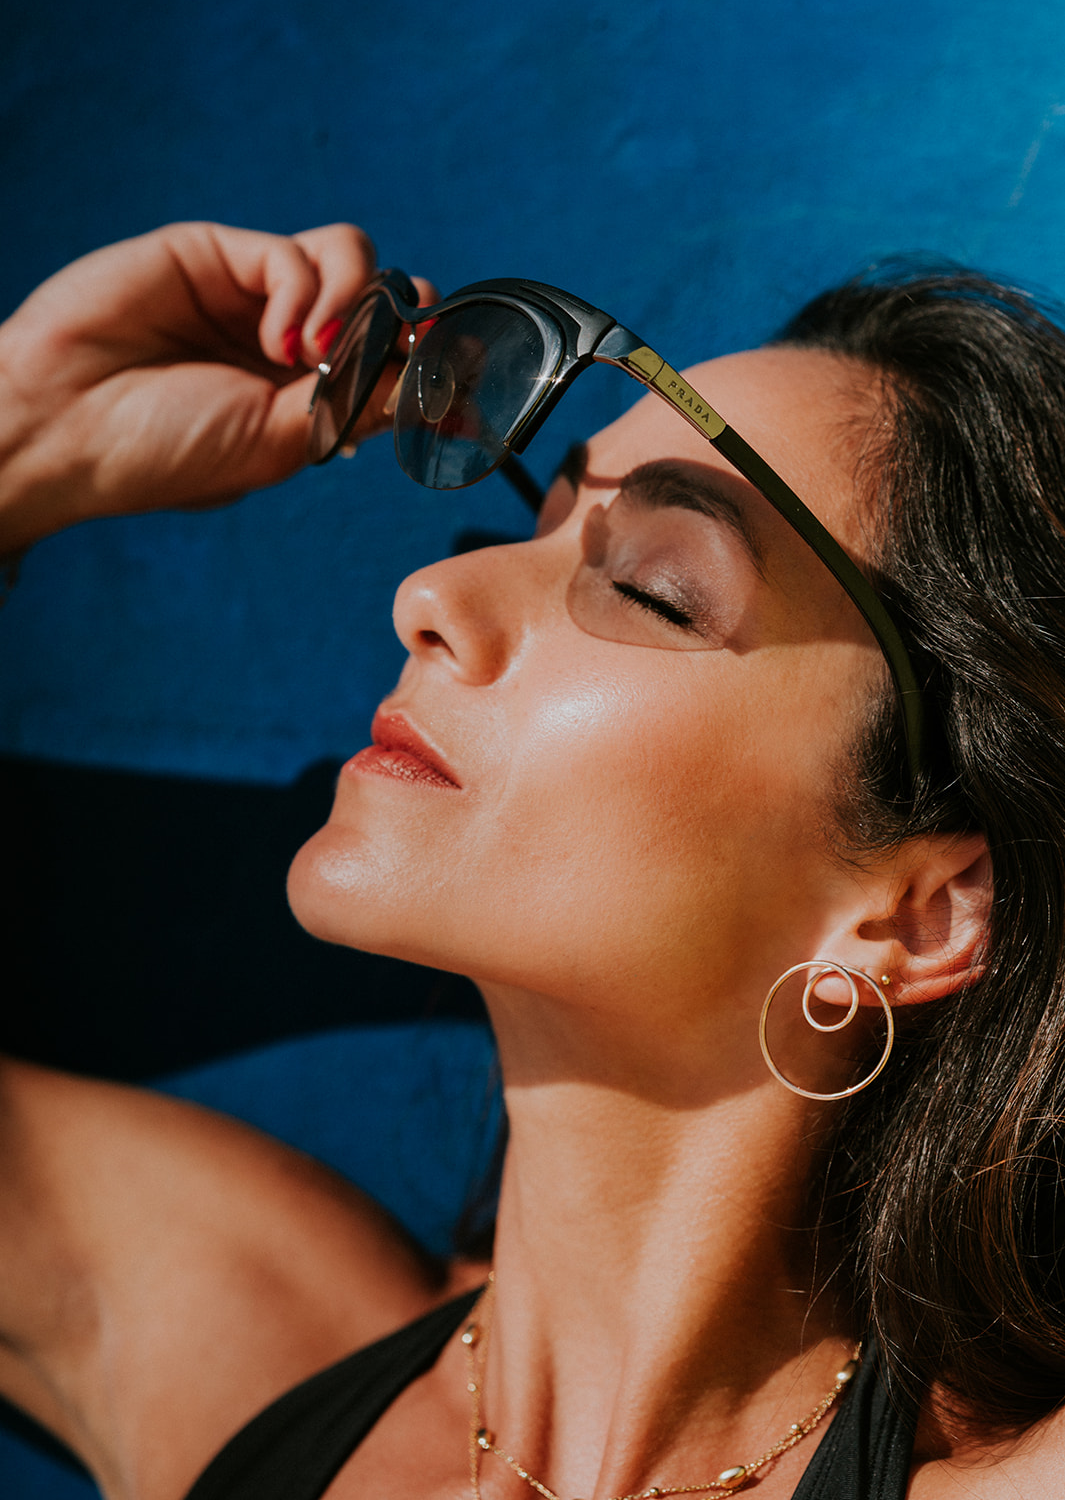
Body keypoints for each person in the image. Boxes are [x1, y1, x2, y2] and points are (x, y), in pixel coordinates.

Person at [1, 221, 1064, 1500]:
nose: (430, 597)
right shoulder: (251, 1343)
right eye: (545, 523)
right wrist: (23, 439)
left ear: (922, 914)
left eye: (656, 589)